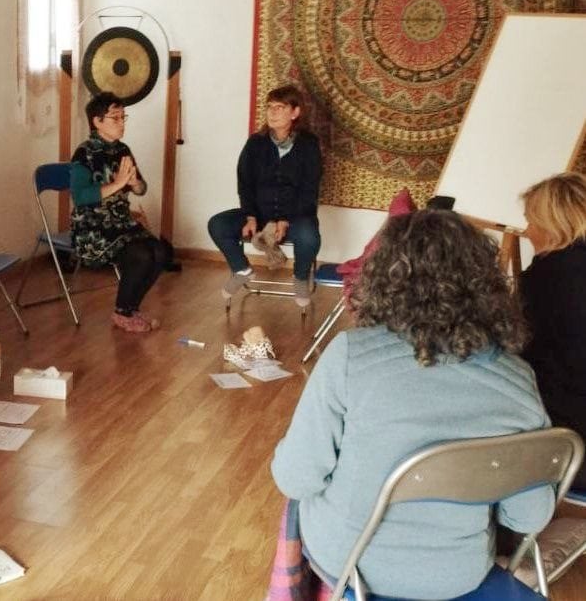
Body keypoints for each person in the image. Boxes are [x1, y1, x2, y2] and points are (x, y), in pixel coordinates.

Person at [270, 209, 553, 599]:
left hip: (352, 567)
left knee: (297, 499)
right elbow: (530, 515)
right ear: (486, 285)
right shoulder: (519, 380)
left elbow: (297, 477)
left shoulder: (351, 356)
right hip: (459, 575)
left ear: (383, 278)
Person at [207, 84, 321, 306]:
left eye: (280, 107)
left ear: (295, 112)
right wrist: (250, 216)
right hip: (258, 215)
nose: (272, 112)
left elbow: (310, 189)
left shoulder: (309, 144)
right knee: (218, 224)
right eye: (270, 107)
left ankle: (300, 277)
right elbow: (245, 183)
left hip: (296, 217)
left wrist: (285, 220)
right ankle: (242, 270)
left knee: (310, 237)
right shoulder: (255, 143)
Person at [70, 91, 172, 333]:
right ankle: (122, 312)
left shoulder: (122, 149)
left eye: (124, 117)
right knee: (141, 255)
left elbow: (141, 188)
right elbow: (81, 197)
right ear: (97, 121)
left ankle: (130, 308)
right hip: (92, 228)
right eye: (115, 118)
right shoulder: (84, 153)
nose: (122, 123)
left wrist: (135, 183)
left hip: (121, 223)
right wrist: (116, 185)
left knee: (162, 252)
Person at [520, 172, 586, 492]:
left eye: (531, 221)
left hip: (570, 438)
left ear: (551, 223)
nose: (526, 231)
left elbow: (526, 359)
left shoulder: (546, 277)